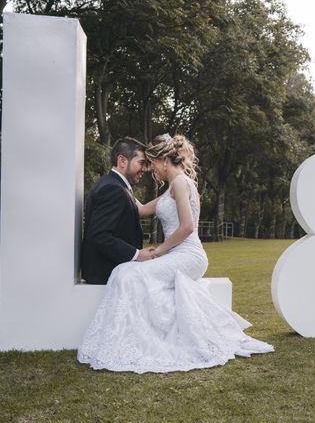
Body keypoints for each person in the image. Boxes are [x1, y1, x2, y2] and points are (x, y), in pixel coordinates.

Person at [78, 134, 273, 373]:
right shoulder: (172, 187)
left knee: (130, 276)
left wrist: (158, 251)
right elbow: (139, 208)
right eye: (144, 164)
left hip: (189, 255)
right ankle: (139, 336)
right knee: (125, 271)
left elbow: (187, 227)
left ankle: (141, 340)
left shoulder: (181, 183)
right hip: (175, 254)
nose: (151, 170)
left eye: (152, 164)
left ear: (163, 161)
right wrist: (119, 183)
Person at [81, 137, 156, 284]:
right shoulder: (113, 189)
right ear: (122, 161)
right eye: (141, 163)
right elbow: (99, 235)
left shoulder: (114, 185)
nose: (145, 169)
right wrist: (137, 255)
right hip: (105, 275)